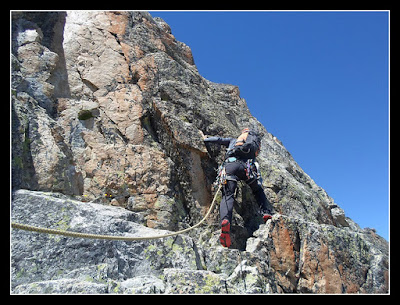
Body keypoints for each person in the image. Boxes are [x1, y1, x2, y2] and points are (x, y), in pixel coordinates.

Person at [203, 128, 272, 248]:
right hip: (247, 168)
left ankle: (226, 221)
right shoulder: (251, 145)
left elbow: (219, 140)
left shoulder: (233, 141)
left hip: (231, 165)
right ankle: (266, 212)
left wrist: (205, 139)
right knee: (257, 190)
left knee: (228, 195)